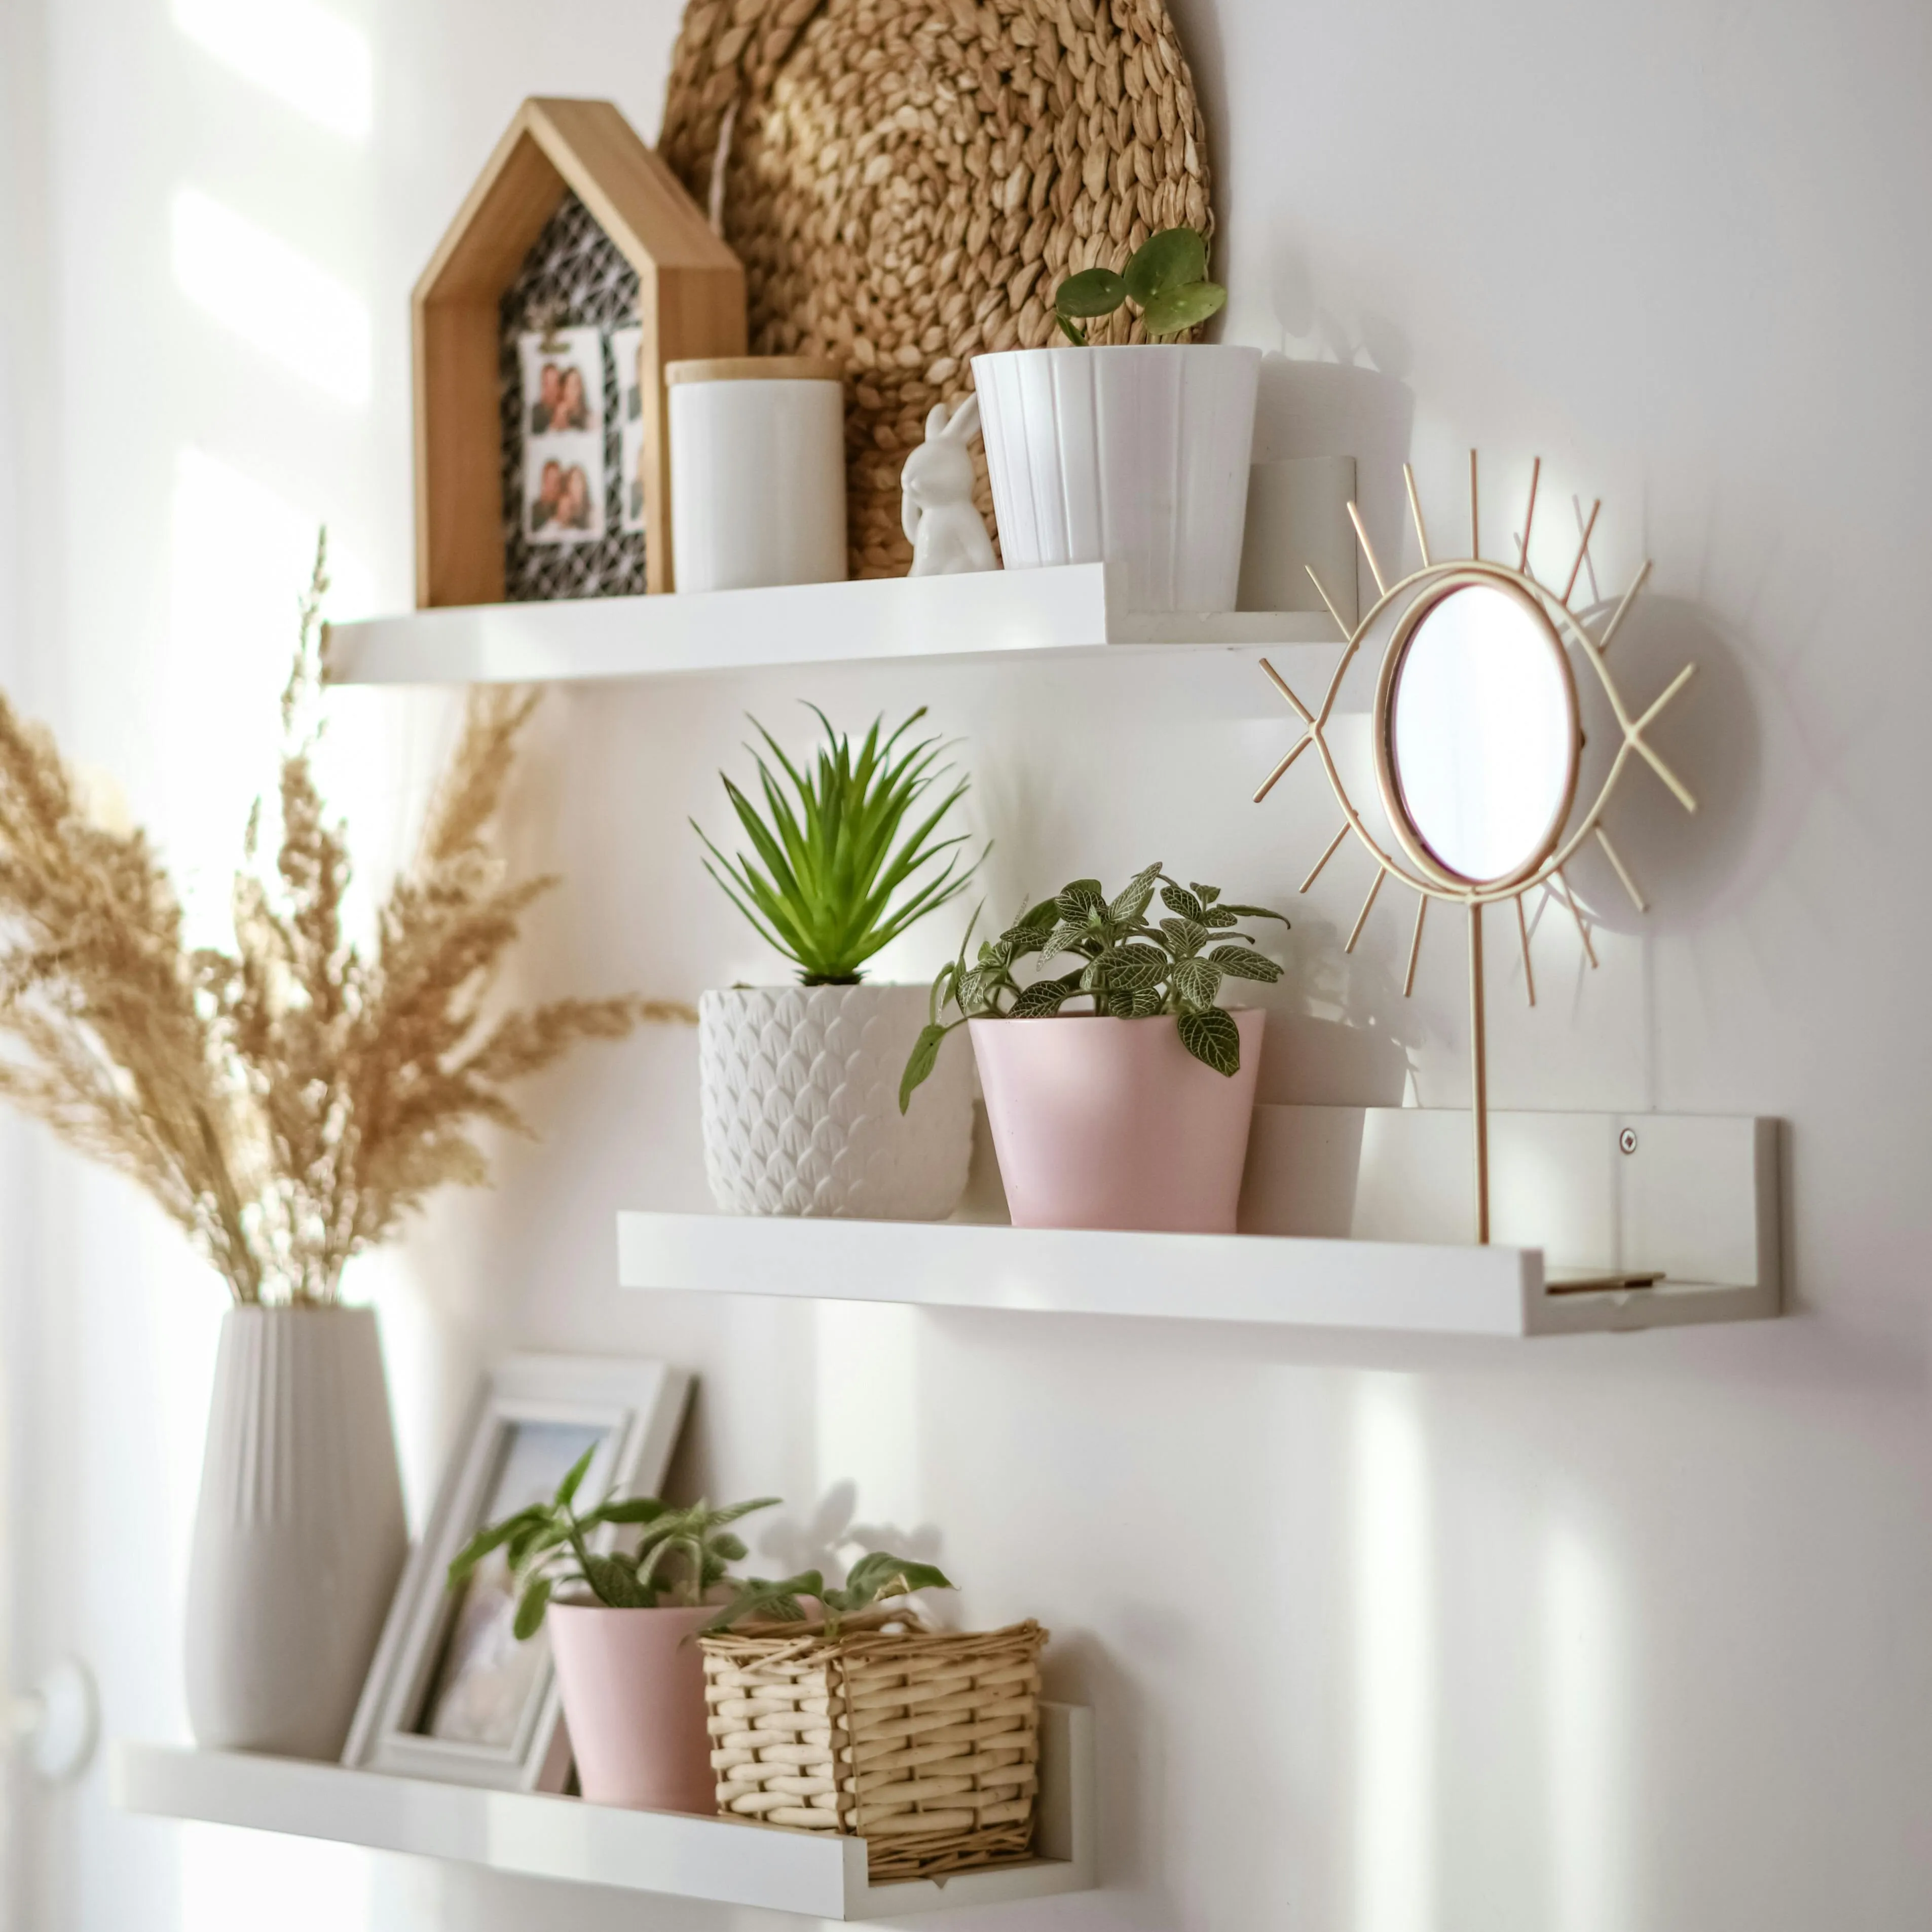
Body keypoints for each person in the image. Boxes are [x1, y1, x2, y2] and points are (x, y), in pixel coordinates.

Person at [530, 458, 564, 533]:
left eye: (556, 481)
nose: (553, 487)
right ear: (544, 482)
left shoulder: (563, 508)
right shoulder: (535, 508)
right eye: (550, 480)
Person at [559, 464, 593, 532]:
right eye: (572, 481)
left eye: (578, 481)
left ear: (584, 485)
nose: (574, 485)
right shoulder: (564, 508)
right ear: (568, 485)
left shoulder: (593, 512)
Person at [529, 362, 561, 434]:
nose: (551, 391)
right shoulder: (535, 414)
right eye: (547, 384)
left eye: (555, 384)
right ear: (542, 386)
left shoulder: (567, 410)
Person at [558, 363, 590, 431]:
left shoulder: (590, 419)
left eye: (575, 386)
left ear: (581, 389)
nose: (572, 392)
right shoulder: (559, 414)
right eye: (569, 386)